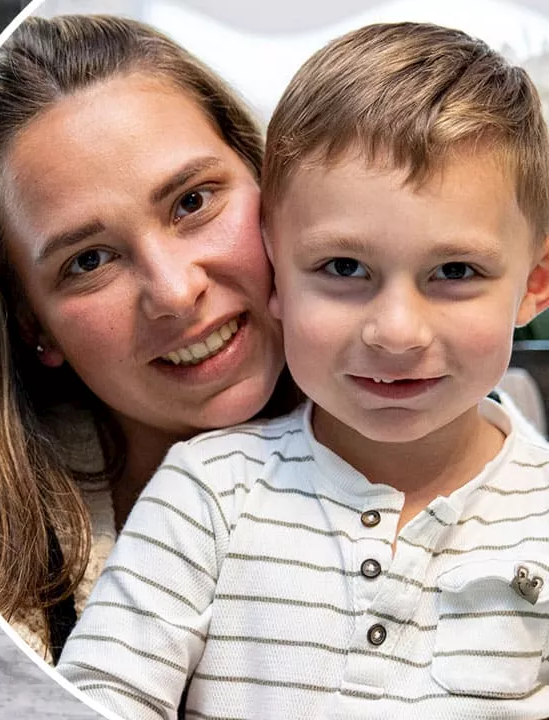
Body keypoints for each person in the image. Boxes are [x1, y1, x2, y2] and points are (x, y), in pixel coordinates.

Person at [58, 22, 549, 719]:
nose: (397, 332)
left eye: (455, 271)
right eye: (344, 269)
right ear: (274, 277)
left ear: (535, 283)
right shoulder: (206, 496)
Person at [0, 13, 298, 665]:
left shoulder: (486, 469)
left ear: (266, 180)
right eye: (88, 260)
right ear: (34, 326)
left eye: (193, 202)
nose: (173, 291)